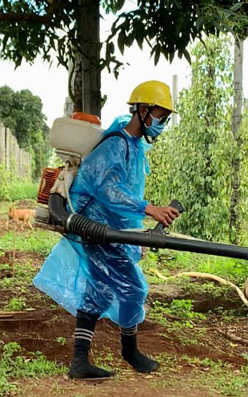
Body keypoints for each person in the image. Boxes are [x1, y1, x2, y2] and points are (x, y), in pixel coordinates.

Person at [34, 80, 180, 379]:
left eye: (165, 117)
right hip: (94, 227)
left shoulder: (133, 147)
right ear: (141, 110)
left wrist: (135, 233)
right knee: (133, 288)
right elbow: (108, 189)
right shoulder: (116, 144)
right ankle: (129, 352)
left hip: (109, 229)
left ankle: (80, 362)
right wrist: (148, 208)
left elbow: (126, 191)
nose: (161, 123)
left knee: (99, 289)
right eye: (158, 115)